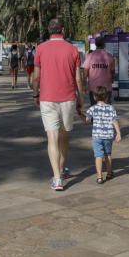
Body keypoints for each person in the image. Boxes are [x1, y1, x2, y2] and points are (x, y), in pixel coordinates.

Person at [31, 18, 84, 191]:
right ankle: (61, 170)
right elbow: (78, 78)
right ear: (63, 30)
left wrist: (35, 93)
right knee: (64, 136)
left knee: (52, 138)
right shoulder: (73, 49)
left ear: (49, 30)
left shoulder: (40, 49)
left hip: (47, 98)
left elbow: (36, 76)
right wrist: (81, 97)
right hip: (68, 98)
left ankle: (57, 178)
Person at [85, 85, 121, 183]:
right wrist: (118, 133)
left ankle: (100, 177)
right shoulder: (110, 108)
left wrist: (80, 114)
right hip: (108, 135)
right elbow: (115, 121)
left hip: (97, 136)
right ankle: (109, 173)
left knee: (98, 156)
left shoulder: (92, 108)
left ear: (94, 97)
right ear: (106, 96)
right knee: (108, 154)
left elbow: (87, 120)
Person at [80, 36, 116, 105]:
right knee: (106, 108)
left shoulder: (90, 56)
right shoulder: (109, 56)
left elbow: (85, 72)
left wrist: (84, 85)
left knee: (94, 108)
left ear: (96, 44)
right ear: (104, 44)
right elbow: (112, 71)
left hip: (93, 87)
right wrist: (112, 80)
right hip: (106, 87)